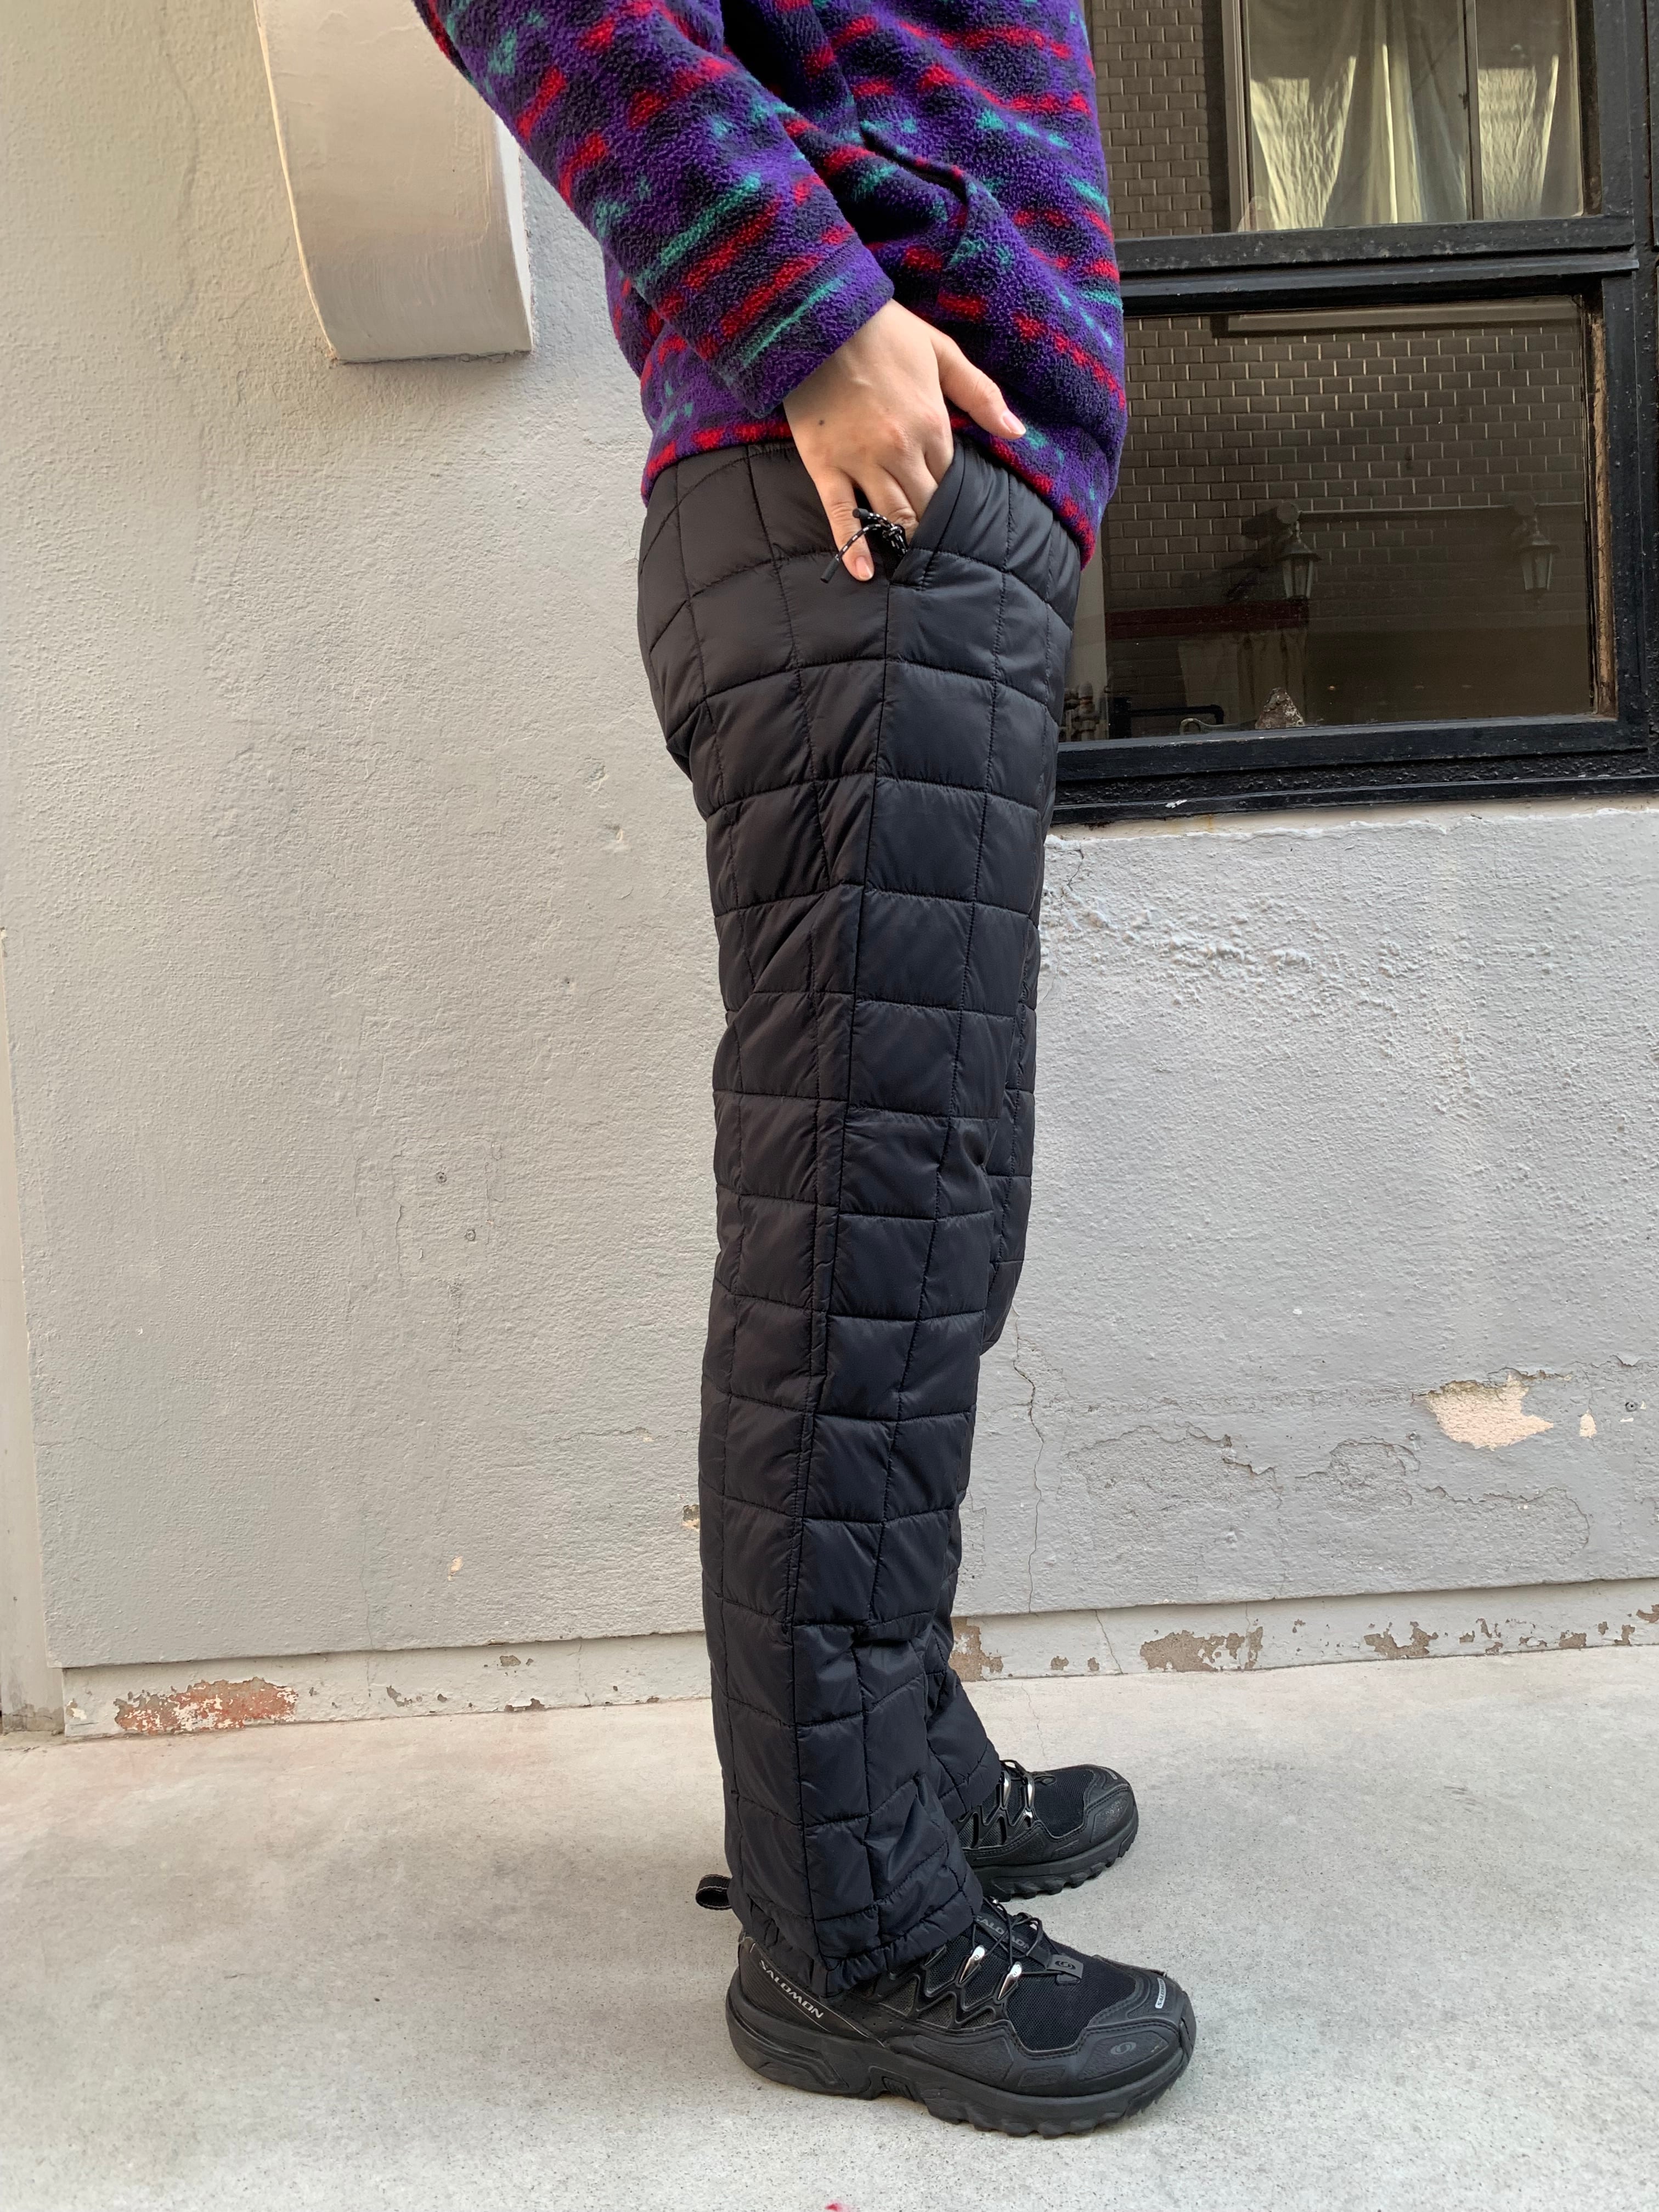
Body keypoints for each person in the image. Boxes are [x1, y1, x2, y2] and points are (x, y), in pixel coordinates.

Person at [413, 0, 1194, 2134]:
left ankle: (888, 1774)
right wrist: (817, 313)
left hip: (907, 525)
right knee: (867, 1255)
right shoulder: (828, 369)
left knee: (925, 1224)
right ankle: (848, 1937)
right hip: (851, 505)